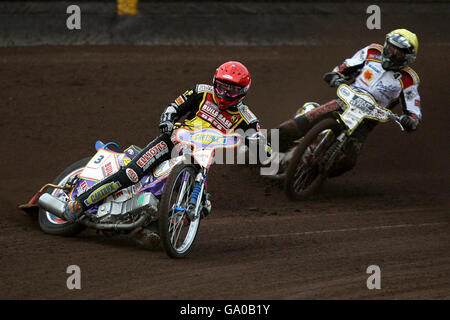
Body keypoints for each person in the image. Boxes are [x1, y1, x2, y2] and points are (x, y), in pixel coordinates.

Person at [64, 61, 266, 220]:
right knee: (133, 173)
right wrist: (167, 121)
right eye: (222, 87)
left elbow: (263, 145)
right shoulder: (200, 91)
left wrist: (260, 146)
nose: (225, 94)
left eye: (232, 90)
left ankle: (156, 227)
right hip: (172, 142)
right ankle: (80, 203)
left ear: (243, 92)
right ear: (215, 82)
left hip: (201, 157)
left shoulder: (246, 117)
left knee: (203, 206)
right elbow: (173, 108)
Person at [275, 28, 422, 176]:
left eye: (398, 52)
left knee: (347, 162)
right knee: (289, 128)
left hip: (366, 121)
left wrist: (410, 120)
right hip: (344, 102)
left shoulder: (409, 79)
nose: (392, 53)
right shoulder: (372, 52)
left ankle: (309, 176)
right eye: (390, 48)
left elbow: (413, 111)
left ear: (408, 57)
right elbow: (346, 67)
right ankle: (259, 154)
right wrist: (335, 75)